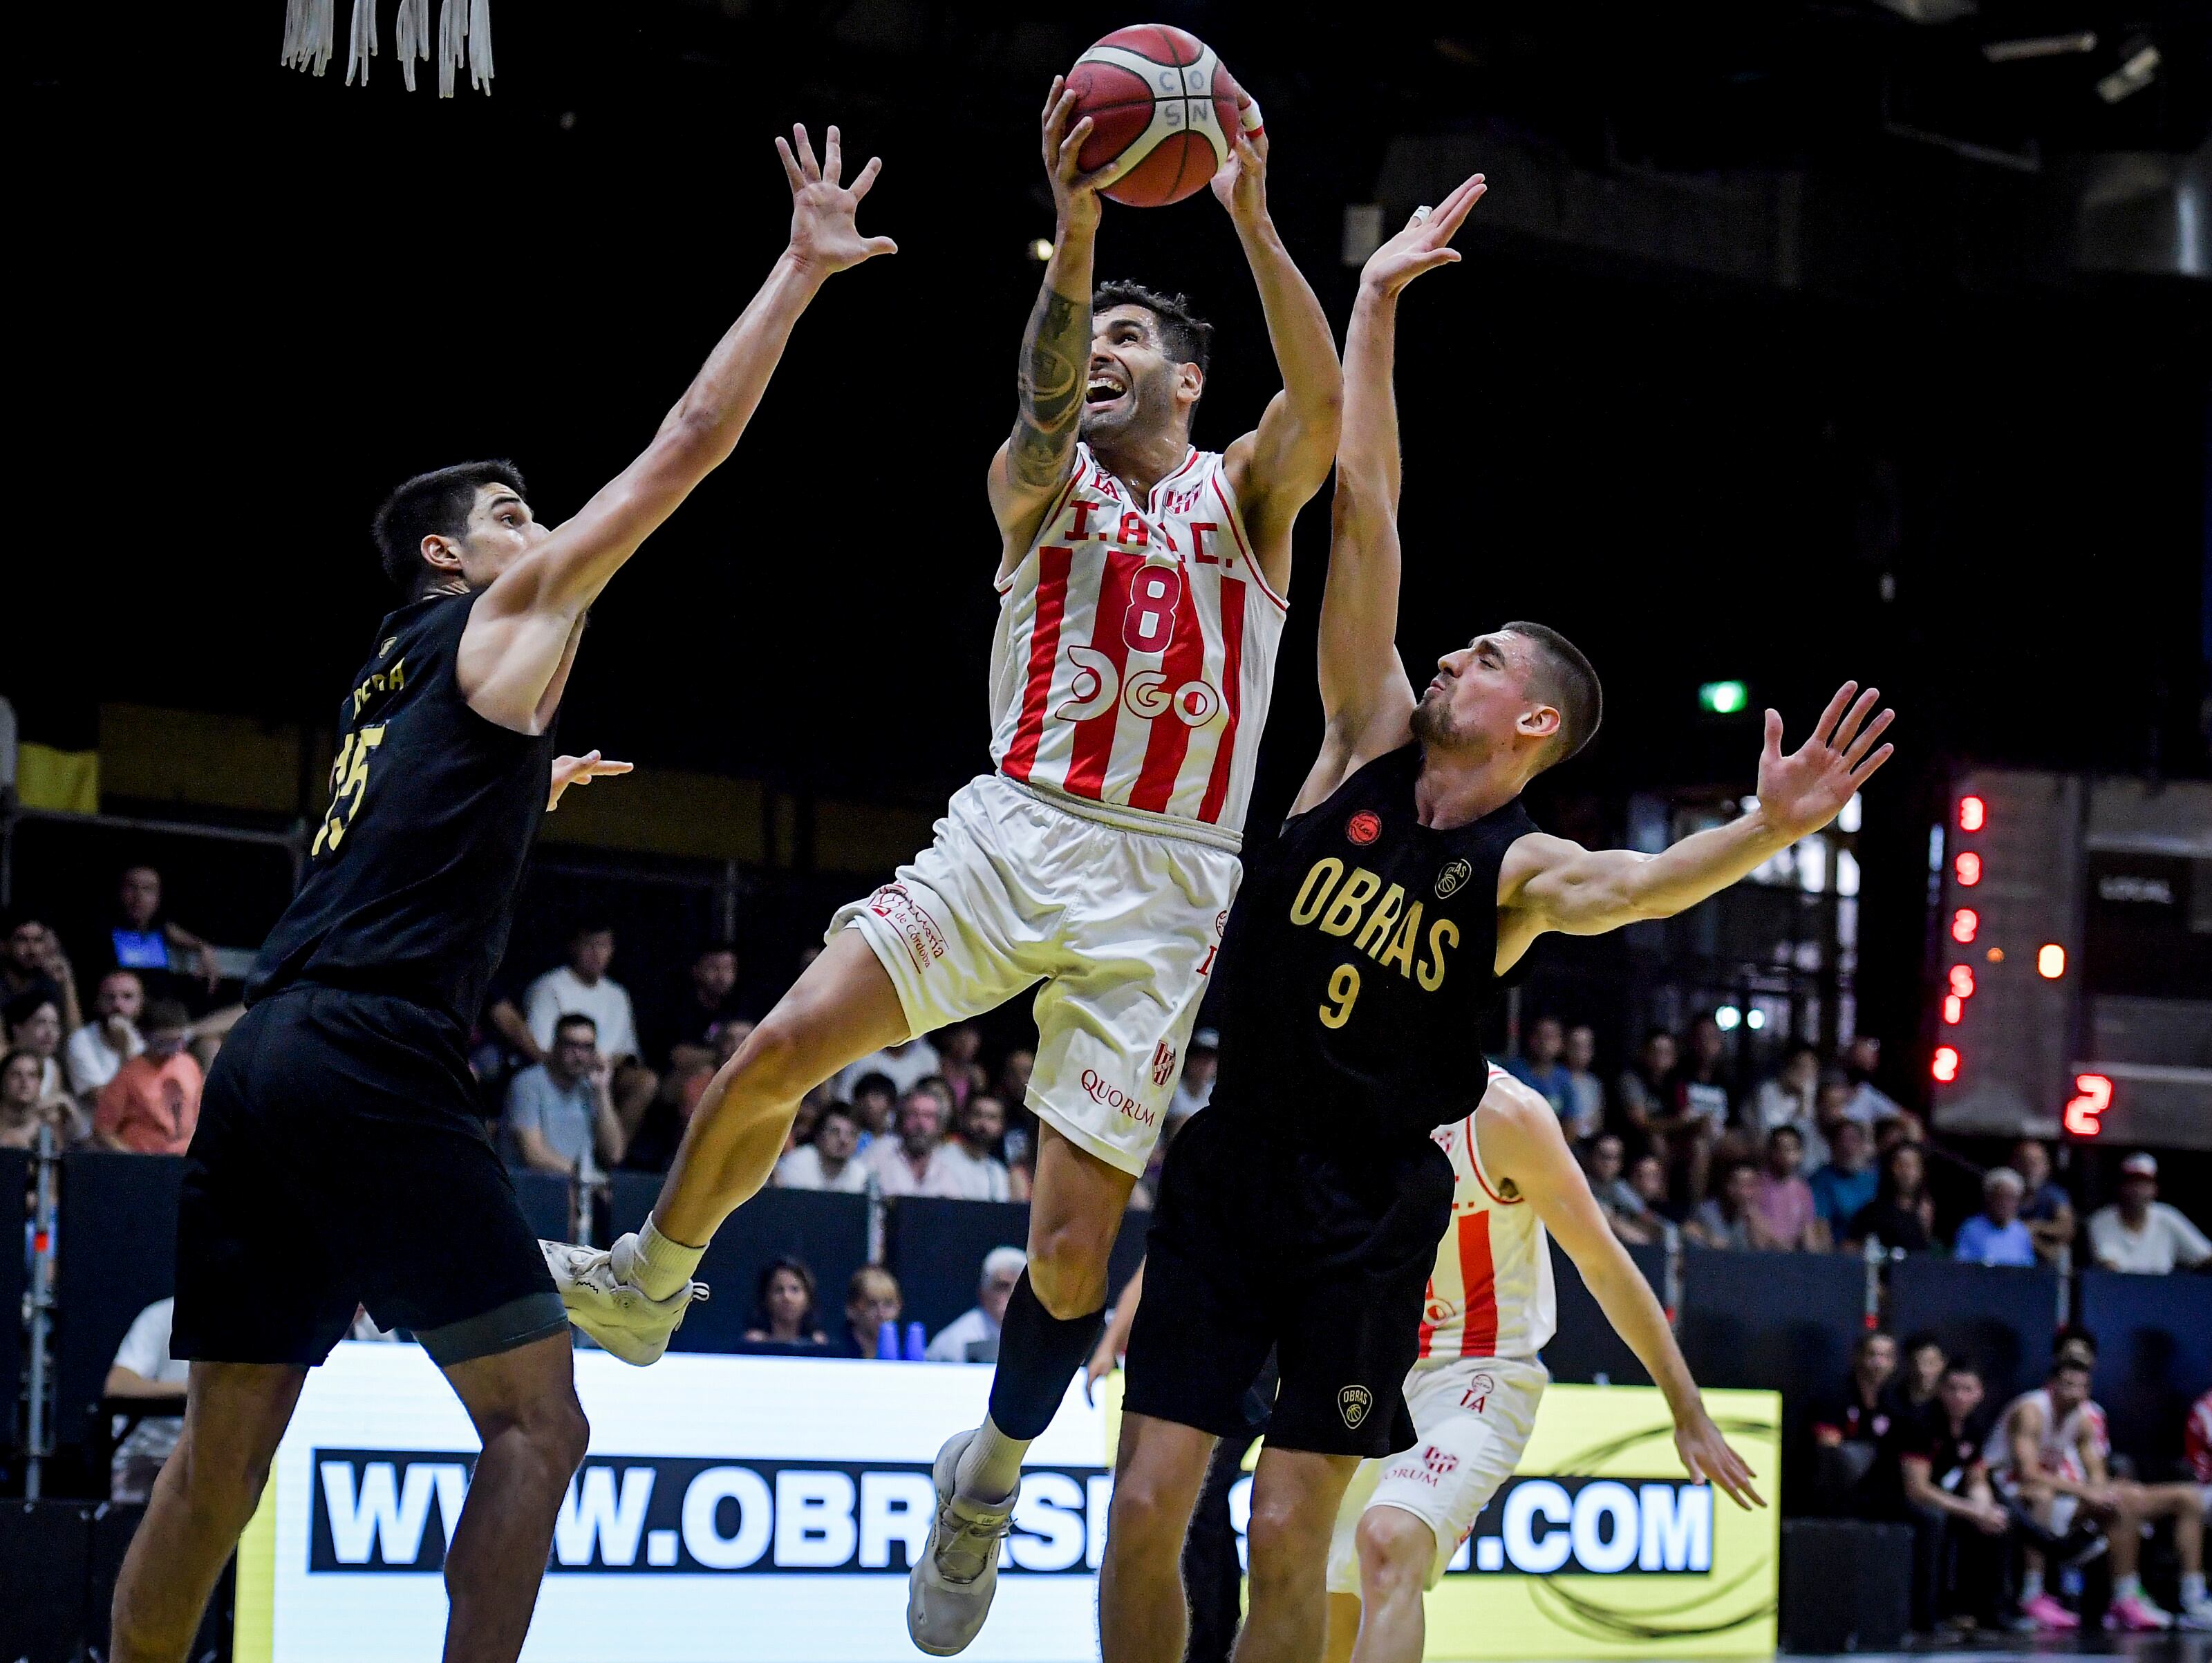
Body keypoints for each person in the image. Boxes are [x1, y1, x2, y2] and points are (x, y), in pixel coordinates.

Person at [559, 77, 1348, 1663]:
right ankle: (654, 1276)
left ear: (1194, 380)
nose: (1108, 355)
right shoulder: (1038, 483)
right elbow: (1043, 399)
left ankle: (985, 1466)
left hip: (1168, 887)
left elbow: (1322, 409)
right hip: (1014, 827)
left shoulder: (1246, 493)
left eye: (1138, 342)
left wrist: (1255, 217)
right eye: (1099, 336)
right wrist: (1075, 229)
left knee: (1068, 1253)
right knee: (781, 1044)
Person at [109, 124, 891, 1663]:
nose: (543, 533)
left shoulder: (375, 683)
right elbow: (682, 445)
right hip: (369, 1060)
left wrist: (528, 786)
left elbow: (391, 833)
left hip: (264, 1061)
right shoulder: (501, 609)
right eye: (514, 516)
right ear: (445, 554)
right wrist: (797, 275)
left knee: (222, 1459)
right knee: (542, 1425)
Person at [1102, 188, 1880, 1663]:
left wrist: (1768, 828)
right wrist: (1378, 305)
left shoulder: (1522, 869)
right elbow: (1369, 507)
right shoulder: (1360, 736)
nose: (1448, 651)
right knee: (1147, 1507)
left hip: (1364, 1209)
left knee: (1296, 1539)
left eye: (1483, 655)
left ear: (1529, 721)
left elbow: (1641, 888)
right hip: (1230, 1156)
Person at [1318, 1067, 1762, 1663]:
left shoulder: (1505, 1115)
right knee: (1326, 1597)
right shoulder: (1341, 1094)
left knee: (1390, 1540)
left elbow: (1604, 1265)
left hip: (1476, 1370)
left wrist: (1686, 1406)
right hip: (1369, 1371)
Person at [1986, 1353, 2212, 1630]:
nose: (2075, 1393)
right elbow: (2028, 1473)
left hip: (2062, 1497)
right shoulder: (2031, 1411)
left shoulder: (2082, 1419)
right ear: (2051, 1385)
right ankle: (2032, 1596)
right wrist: (2086, 1492)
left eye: (2082, 1386)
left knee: (2129, 1500)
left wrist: (2108, 1490)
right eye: (2068, 1384)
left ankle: (2142, 1599)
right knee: (2040, 1496)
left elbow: (2096, 1473)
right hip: (2007, 1494)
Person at [1871, 1359, 2009, 1633]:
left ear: (1979, 1393)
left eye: (1967, 1390)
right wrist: (1973, 1511)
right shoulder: (1919, 1422)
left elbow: (1977, 1479)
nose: (1959, 1397)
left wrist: (1984, 1509)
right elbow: (1917, 1490)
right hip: (1887, 1496)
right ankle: (1928, 1617)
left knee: (2002, 1516)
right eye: (1952, 1388)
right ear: (1940, 1390)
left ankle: (1988, 1611)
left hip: (1939, 1498)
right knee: (1933, 1520)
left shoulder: (1974, 1427)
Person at [523, 923, 655, 1136]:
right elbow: (540, 1049)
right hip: (563, 1069)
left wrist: (604, 1067)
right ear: (574, 947)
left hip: (604, 1074)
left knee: (645, 1081)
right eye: (589, 945)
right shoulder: (549, 987)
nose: (596, 953)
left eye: (603, 946)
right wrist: (581, 1063)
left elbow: (627, 1052)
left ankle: (612, 1154)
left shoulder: (618, 994)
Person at [502, 1013, 626, 1178]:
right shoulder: (527, 1084)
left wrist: (603, 1091)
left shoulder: (591, 1088)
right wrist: (588, 1177)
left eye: (587, 1047)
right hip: (531, 1187)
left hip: (576, 1188)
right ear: (555, 1046)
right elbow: (534, 1155)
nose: (579, 1054)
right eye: (571, 1045)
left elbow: (614, 1154)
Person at [93, 999, 203, 1155]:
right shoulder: (128, 1075)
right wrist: (134, 1160)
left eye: (177, 1041)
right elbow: (103, 1130)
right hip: (142, 1162)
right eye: (164, 1042)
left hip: (184, 1162)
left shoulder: (189, 1064)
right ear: (144, 1036)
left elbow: (198, 1117)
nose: (172, 1049)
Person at [1810, 1331, 1900, 1509]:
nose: (1878, 1363)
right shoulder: (1835, 1395)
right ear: (1858, 1357)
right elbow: (1830, 1450)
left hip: (1881, 1490)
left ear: (1894, 1363)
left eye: (1886, 1357)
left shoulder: (1895, 1402)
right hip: (1836, 1489)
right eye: (1873, 1354)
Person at [2088, 1152, 2212, 1274]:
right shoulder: (2100, 1221)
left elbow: (2205, 1255)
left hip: (2162, 1293)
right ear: (2121, 1187)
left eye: (2145, 1183)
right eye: (2132, 1182)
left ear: (2154, 1188)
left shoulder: (2168, 1217)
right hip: (2117, 1292)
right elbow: (2109, 1266)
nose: (2137, 1189)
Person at [110, 866, 219, 1000]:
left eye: (148, 889)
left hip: (159, 1008)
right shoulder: (104, 932)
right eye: (131, 887)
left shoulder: (162, 929)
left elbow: (190, 941)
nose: (139, 897)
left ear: (158, 897)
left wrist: (204, 949)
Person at [927, 1247, 1029, 1362]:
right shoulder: (955, 1342)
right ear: (982, 1293)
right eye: (1003, 1286)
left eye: (1020, 1287)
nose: (1013, 1294)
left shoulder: (1040, 1335)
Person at [866, 1087, 968, 1198]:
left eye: (928, 1116)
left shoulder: (948, 1167)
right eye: (913, 1114)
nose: (920, 1123)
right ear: (901, 1121)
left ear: (940, 1126)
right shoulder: (878, 1155)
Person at [66, 968, 145, 1100]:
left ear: (140, 1004)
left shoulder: (146, 1041)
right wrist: (124, 1050)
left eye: (127, 997)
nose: (117, 1005)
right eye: (110, 997)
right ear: (97, 1002)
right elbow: (104, 1101)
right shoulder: (81, 1041)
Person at [1848, 1140, 1936, 1253]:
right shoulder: (1872, 1213)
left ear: (1922, 1171)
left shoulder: (1927, 1211)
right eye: (1900, 1164)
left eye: (1912, 1165)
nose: (1906, 1171)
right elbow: (1850, 1248)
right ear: (1890, 1168)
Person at [1748, 1124, 1826, 1251]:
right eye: (1781, 1148)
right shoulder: (1756, 1184)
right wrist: (1780, 1245)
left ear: (1800, 1153)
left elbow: (1808, 1232)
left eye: (1791, 1149)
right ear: (1771, 1151)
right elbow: (1753, 1221)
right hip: (1762, 1256)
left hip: (1792, 1260)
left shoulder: (1803, 1190)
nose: (1786, 1155)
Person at [1807, 1117, 1878, 1245]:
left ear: (1862, 1144)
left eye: (1853, 1140)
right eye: (1842, 1140)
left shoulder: (1874, 1181)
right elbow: (1820, 1227)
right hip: (1839, 1255)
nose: (1847, 1147)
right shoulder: (1820, 1180)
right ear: (1832, 1145)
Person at [774, 1102, 871, 1194]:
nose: (844, 1140)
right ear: (819, 1135)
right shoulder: (794, 1165)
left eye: (852, 1134)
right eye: (835, 1132)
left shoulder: (862, 1176)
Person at [1953, 1168, 2037, 1268]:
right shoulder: (1970, 1229)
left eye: (2011, 1198)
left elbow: (2028, 1269)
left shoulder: (2021, 1232)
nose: (2005, 1204)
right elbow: (1963, 1267)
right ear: (1988, 1198)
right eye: (2000, 1197)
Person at [939, 1093, 1015, 1202]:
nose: (983, 1124)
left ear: (1001, 1126)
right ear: (964, 1118)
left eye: (991, 1118)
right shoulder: (943, 1158)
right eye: (977, 1115)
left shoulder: (998, 1172)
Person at [2012, 1138, 2076, 1265]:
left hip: (2042, 1255)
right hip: (2012, 1254)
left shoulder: (2054, 1194)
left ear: (2047, 1167)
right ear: (2016, 1165)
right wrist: (2023, 1232)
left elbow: (2066, 1228)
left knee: (2062, 1252)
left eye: (2036, 1162)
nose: (2030, 1168)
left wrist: (2036, 1227)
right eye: (2026, 1162)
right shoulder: (2008, 1191)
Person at [1614, 1028, 1676, 1154]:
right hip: (1634, 1140)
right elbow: (1641, 1123)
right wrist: (1680, 1123)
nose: (1661, 1057)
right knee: (1656, 1139)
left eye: (1666, 1052)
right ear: (1644, 1053)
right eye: (1656, 1051)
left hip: (1672, 1137)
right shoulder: (1631, 1079)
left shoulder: (1677, 1082)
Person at [743, 1257, 827, 1346]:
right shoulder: (752, 1345)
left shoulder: (819, 1345)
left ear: (808, 1298)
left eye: (795, 1290)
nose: (787, 1297)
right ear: (765, 1298)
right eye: (779, 1290)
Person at [1, 1046, 72, 1149]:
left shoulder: (48, 1127)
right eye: (16, 1075)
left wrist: (70, 1106)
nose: (24, 1082)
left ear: (40, 1083)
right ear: (3, 1081)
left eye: (32, 1075)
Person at [1503, 1014, 1571, 1119]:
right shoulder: (1515, 1072)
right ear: (1531, 1039)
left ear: (1561, 1043)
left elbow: (1570, 1120)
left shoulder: (1563, 1077)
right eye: (1539, 1035)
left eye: (1550, 1037)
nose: (1544, 1042)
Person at [1687, 1161, 1759, 1249]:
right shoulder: (1706, 1211)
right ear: (1728, 1185)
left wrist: (1755, 1225)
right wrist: (1708, 1238)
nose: (1745, 1193)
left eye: (1750, 1185)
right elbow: (1688, 1229)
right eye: (1740, 1184)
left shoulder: (1751, 1215)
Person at [838, 1266, 905, 1359]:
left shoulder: (906, 1351)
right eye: (872, 1304)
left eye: (888, 1304)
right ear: (852, 1309)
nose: (881, 1314)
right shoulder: (834, 1352)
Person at [1560, 1023, 1604, 1143]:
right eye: (1576, 1046)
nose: (1581, 1052)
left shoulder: (1594, 1083)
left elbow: (1598, 1120)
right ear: (1565, 1047)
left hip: (1590, 1142)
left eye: (1586, 1047)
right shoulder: (1558, 1079)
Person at [1167, 1027, 1219, 1127]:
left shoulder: (1215, 1093)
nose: (1204, 1064)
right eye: (1199, 1056)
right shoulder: (1173, 1089)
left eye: (1210, 1058)